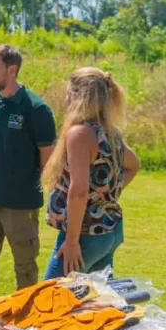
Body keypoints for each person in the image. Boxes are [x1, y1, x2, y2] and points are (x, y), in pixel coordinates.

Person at [0, 45, 57, 298]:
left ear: (12, 69)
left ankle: (27, 313)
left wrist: (46, 196)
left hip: (21, 205)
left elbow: (48, 161)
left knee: (25, 267)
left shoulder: (36, 109)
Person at [42, 67, 140, 279]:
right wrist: (103, 196)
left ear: (77, 95)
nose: (66, 98)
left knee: (50, 295)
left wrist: (71, 242)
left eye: (68, 92)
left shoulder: (80, 134)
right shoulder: (109, 132)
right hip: (108, 232)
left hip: (85, 235)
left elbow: (78, 192)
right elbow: (133, 165)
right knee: (95, 297)